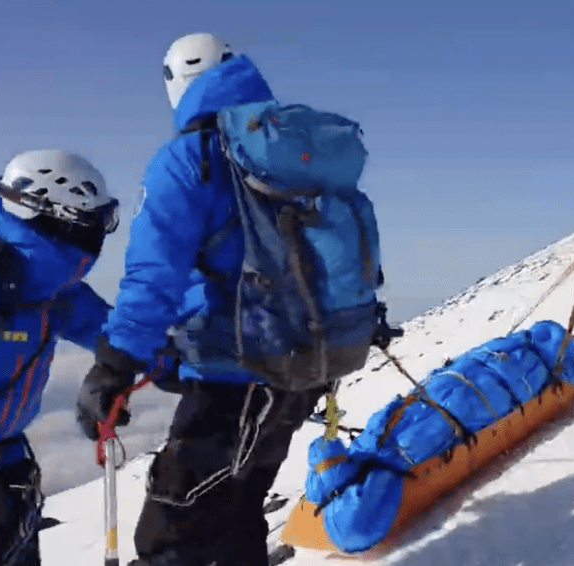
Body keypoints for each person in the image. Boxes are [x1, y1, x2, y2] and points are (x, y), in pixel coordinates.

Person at [73, 33, 388, 566]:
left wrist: (114, 366)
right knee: (236, 510)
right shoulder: (289, 149)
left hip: (235, 374)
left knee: (170, 534)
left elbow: (152, 277)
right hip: (306, 366)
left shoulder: (187, 159)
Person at [0, 150, 120, 565]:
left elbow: (122, 340)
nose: (100, 233)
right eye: (96, 220)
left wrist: (201, 369)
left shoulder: (56, 290)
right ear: (59, 215)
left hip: (5, 469)